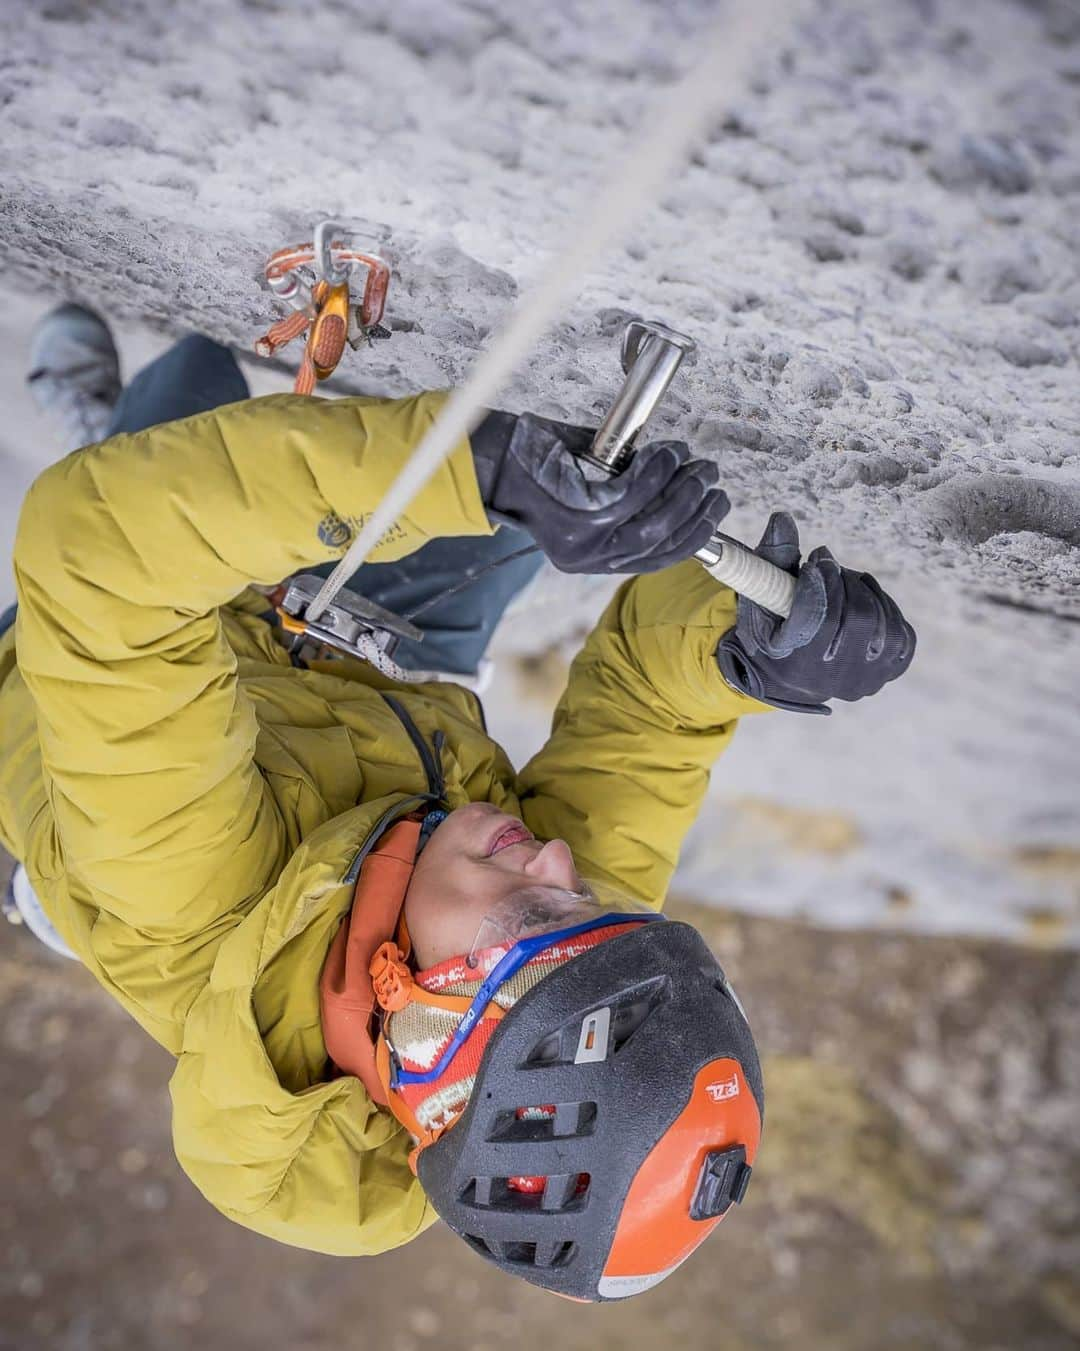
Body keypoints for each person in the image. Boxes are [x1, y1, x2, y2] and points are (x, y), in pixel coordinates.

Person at [0, 303, 914, 1301]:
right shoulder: (572, 962)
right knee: (557, 452)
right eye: (598, 907)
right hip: (383, 663)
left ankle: (102, 427)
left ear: (417, 1019)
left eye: (536, 913)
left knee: (191, 382)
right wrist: (748, 648)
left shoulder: (187, 885)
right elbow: (648, 706)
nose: (559, 863)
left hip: (134, 653)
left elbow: (96, 559)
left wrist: (467, 472)